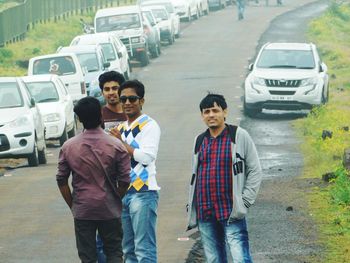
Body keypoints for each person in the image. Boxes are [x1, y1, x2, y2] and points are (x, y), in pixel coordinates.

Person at [186, 93, 262, 263]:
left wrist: (245, 201)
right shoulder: (199, 140)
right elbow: (194, 176)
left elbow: (255, 170)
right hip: (205, 210)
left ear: (225, 112)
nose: (211, 115)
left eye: (215, 110)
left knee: (240, 257)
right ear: (202, 116)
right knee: (213, 259)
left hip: (230, 209)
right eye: (206, 112)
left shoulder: (238, 135)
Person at [56, 96, 130, 263]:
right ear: (100, 116)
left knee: (87, 256)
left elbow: (61, 180)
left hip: (83, 209)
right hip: (109, 208)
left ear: (79, 119)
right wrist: (115, 198)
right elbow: (125, 180)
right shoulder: (116, 145)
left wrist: (73, 205)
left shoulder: (68, 146)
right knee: (114, 253)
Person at [110, 80, 161, 263]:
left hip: (143, 191)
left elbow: (147, 157)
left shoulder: (149, 125)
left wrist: (121, 143)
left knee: (144, 249)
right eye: (123, 99)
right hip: (123, 192)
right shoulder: (122, 128)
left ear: (142, 101)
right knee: (128, 250)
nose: (127, 103)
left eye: (132, 98)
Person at [96, 70, 127, 263]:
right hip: (105, 182)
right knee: (103, 239)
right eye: (106, 89)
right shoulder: (98, 116)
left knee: (128, 236)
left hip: (129, 180)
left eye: (115, 88)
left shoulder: (130, 113)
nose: (111, 92)